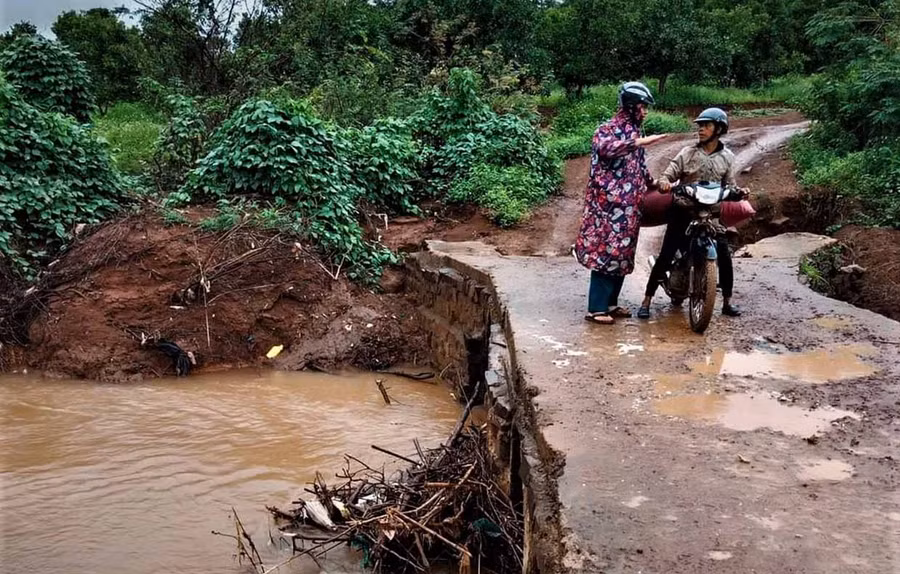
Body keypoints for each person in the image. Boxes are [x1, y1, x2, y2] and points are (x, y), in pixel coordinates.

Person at [638, 107, 745, 319]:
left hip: (711, 215)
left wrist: (738, 192)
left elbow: (730, 185)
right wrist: (665, 183)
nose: (701, 129)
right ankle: (647, 300)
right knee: (667, 253)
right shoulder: (687, 153)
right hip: (683, 211)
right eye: (700, 126)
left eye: (706, 125)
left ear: (719, 129)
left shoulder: (727, 157)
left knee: (724, 254)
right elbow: (667, 175)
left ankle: (727, 302)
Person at [574, 81, 668, 325]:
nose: (645, 111)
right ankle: (596, 308)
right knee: (606, 254)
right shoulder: (607, 129)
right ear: (629, 106)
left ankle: (611, 304)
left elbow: (637, 166)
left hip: (630, 208)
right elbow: (605, 149)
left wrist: (653, 183)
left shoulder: (636, 132)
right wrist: (637, 143)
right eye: (642, 106)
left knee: (623, 255)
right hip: (608, 209)